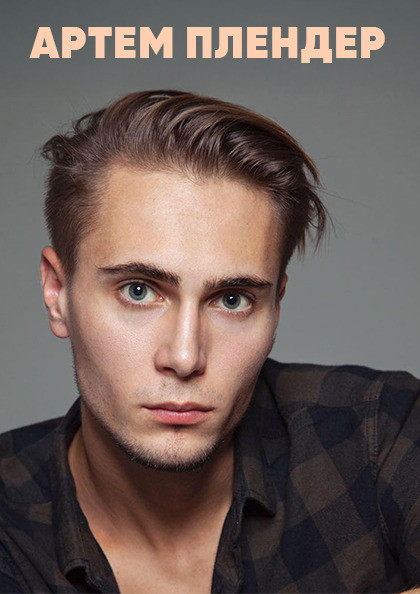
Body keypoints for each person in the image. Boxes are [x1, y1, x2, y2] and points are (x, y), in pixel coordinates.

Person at [0, 89, 419, 594]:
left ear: (276, 306)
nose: (184, 357)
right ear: (57, 293)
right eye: (139, 291)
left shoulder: (379, 433)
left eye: (232, 300)